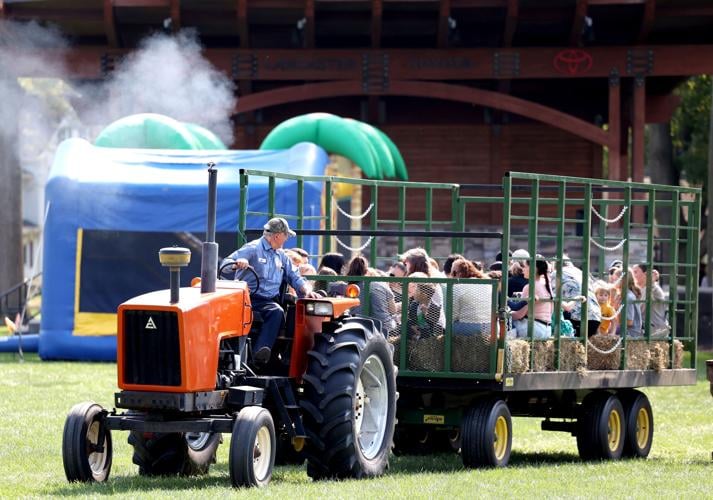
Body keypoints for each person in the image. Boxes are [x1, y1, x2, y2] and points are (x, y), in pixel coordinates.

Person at [224, 217, 320, 364]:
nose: (287, 239)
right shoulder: (252, 248)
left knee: (278, 312)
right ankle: (257, 355)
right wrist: (237, 264)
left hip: (267, 301)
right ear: (277, 236)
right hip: (246, 299)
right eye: (286, 236)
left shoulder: (281, 256)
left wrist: (306, 290)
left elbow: (295, 277)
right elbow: (226, 263)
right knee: (276, 312)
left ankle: (263, 354)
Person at [510, 257, 553, 339]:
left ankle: (504, 350)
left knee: (503, 324)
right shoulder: (547, 285)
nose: (522, 269)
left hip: (533, 329)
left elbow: (519, 315)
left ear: (534, 269)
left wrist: (504, 315)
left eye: (525, 266)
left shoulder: (530, 287)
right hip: (547, 330)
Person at [451, 258, 492, 336]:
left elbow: (453, 314)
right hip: (491, 327)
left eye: (453, 273)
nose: (452, 276)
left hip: (469, 328)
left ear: (459, 273)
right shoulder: (487, 284)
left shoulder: (458, 287)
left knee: (447, 326)